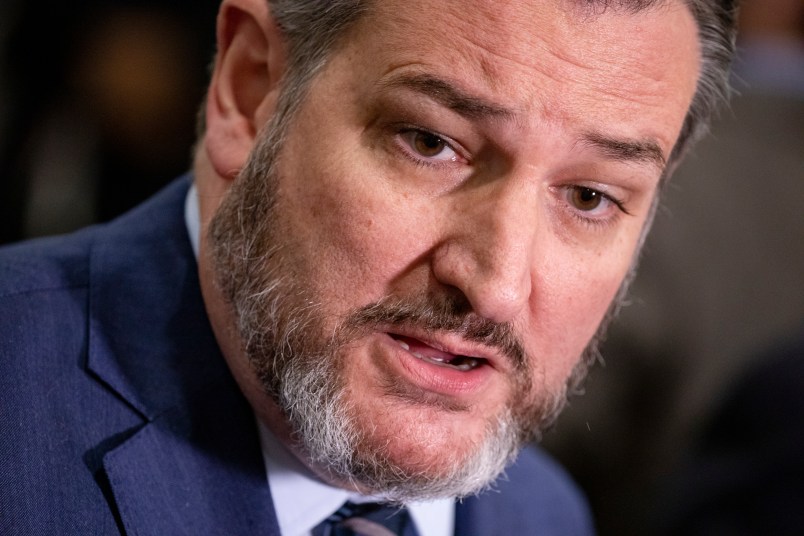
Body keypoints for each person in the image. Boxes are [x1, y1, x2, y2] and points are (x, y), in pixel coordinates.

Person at [0, 0, 738, 534]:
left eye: (589, 195)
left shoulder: (542, 515)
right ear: (250, 90)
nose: (497, 285)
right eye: (429, 142)